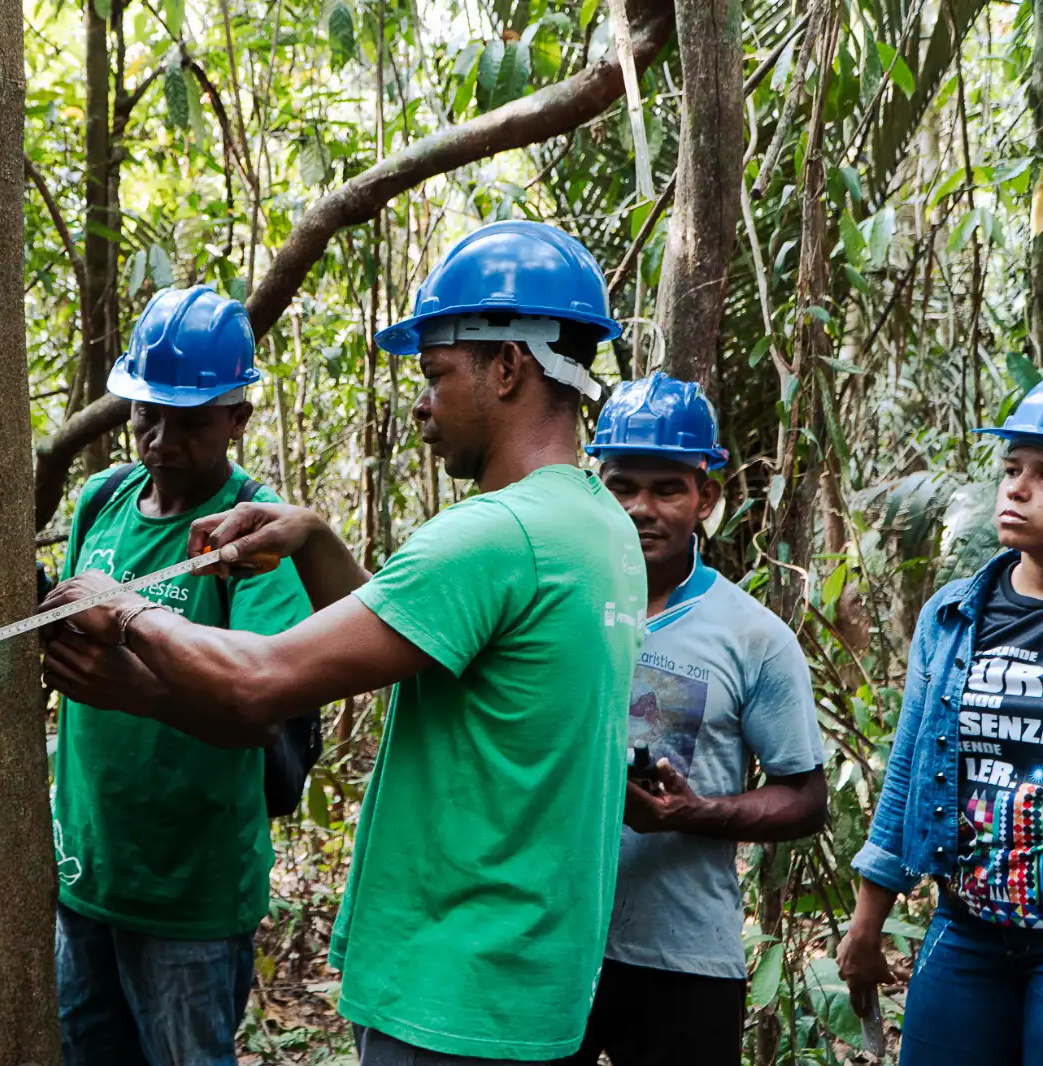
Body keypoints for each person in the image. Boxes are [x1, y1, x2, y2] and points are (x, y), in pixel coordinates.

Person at [41, 220, 649, 1065]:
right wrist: (316, 537)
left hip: (450, 988)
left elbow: (261, 683)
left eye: (436, 374)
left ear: (507, 367)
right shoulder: (596, 524)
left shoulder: (493, 537)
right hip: (528, 984)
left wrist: (128, 610)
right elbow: (420, 640)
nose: (422, 403)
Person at [50, 284, 314, 1066]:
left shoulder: (255, 530)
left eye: (190, 421)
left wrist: (137, 680)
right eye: (145, 415)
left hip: (189, 895)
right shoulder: (103, 503)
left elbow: (260, 704)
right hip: (88, 874)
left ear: (238, 417)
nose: (161, 440)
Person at [555, 373, 828, 1066]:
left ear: (706, 496)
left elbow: (804, 797)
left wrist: (693, 812)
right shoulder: (552, 604)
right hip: (550, 941)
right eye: (622, 486)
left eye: (667, 488)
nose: (642, 508)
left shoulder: (752, 636)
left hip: (682, 959)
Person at [839, 381, 1043, 1065]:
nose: (1017, 489)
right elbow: (908, 773)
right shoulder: (955, 615)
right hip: (967, 927)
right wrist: (867, 924)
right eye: (1013, 469)